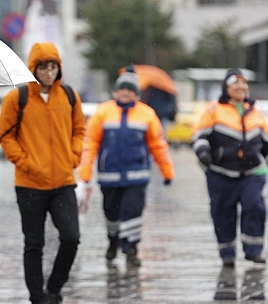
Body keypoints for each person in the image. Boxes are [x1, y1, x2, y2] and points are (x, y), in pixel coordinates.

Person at [0, 42, 85, 304]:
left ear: (59, 68)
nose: (48, 72)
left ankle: (55, 292)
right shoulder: (17, 98)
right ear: (33, 69)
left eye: (53, 66)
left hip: (63, 182)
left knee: (71, 238)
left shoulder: (69, 96)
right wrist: (26, 162)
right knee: (34, 244)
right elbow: (5, 135)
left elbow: (80, 130)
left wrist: (73, 155)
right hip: (30, 184)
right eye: (43, 67)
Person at [77, 71, 175, 267]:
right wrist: (85, 172)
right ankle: (113, 240)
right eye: (122, 89)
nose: (125, 93)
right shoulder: (103, 112)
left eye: (130, 90)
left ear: (136, 94)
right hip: (109, 176)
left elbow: (158, 145)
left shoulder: (147, 114)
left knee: (133, 212)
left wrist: (167, 170)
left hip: (137, 175)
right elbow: (90, 143)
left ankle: (131, 248)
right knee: (111, 213)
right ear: (116, 91)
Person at [192, 68, 268, 267]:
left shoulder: (256, 111)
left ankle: (254, 250)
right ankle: (227, 252)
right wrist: (203, 152)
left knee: (255, 207)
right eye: (236, 83)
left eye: (244, 84)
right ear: (226, 87)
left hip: (252, 171)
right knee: (222, 212)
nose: (241, 87)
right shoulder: (213, 109)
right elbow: (199, 136)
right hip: (221, 172)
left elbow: (265, 140)